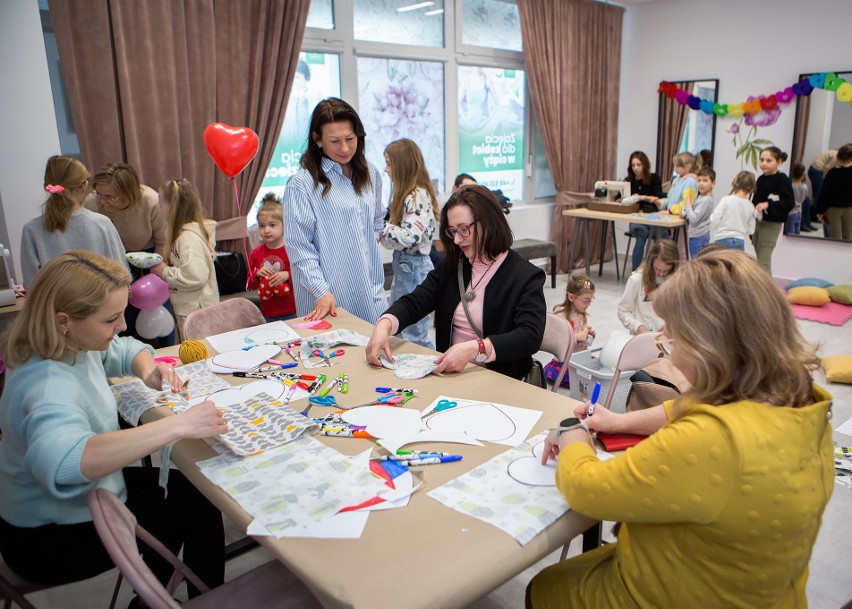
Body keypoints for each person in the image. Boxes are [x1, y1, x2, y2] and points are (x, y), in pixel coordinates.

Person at [530, 249, 833, 609]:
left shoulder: (709, 440)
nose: (667, 354)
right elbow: (684, 406)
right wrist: (618, 420)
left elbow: (586, 489)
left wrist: (571, 432)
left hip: (677, 593)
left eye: (672, 340)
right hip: (767, 592)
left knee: (545, 587)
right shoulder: (803, 403)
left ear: (711, 347)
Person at [0, 251, 227, 597]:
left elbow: (117, 349)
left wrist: (147, 367)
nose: (121, 325)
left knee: (193, 493)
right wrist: (178, 425)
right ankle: (200, 600)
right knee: (194, 508)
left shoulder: (66, 341)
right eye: (110, 320)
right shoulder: (47, 385)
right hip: (47, 536)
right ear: (64, 320)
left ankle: (159, 594)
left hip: (82, 497)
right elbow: (66, 462)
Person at [365, 185, 545, 380]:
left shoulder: (525, 276)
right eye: (452, 232)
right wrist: (384, 325)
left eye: (463, 230)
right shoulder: (453, 268)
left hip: (500, 381)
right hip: (451, 378)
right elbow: (414, 302)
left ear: (489, 223)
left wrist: (477, 348)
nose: (457, 240)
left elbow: (529, 336)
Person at [283, 97, 387, 323]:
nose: (345, 148)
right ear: (318, 140)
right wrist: (320, 289)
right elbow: (299, 247)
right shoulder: (302, 185)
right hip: (327, 298)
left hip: (371, 292)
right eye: (335, 141)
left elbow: (378, 219)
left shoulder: (370, 173)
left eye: (350, 139)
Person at [85, 162, 172, 344]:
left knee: (158, 314)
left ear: (129, 193)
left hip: (149, 260)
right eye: (99, 194)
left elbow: (163, 241)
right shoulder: (92, 203)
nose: (102, 201)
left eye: (110, 197)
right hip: (111, 262)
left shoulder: (150, 201)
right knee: (123, 317)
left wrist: (156, 274)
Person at [20, 155, 127, 288]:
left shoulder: (31, 230)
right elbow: (121, 276)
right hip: (100, 305)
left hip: (55, 307)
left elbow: (31, 285)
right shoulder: (102, 224)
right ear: (84, 185)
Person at [379, 138, 439, 348]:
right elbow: (395, 241)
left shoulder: (417, 196)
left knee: (415, 334)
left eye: (389, 163)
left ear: (402, 164)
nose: (386, 170)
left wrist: (379, 226)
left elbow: (409, 237)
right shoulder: (405, 195)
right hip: (404, 265)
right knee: (400, 323)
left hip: (414, 268)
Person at [150, 178, 219, 340]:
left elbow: (195, 276)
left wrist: (165, 272)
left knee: (199, 354)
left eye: (161, 206)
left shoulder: (187, 239)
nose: (159, 210)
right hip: (192, 308)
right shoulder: (185, 236)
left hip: (196, 310)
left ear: (172, 208)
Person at [247, 193, 297, 322]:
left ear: (284, 225)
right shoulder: (256, 253)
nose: (266, 230)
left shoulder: (292, 249)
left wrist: (287, 275)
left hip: (293, 310)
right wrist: (257, 275)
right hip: (268, 313)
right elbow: (249, 285)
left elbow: (303, 276)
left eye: (272, 225)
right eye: (262, 226)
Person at [617, 240, 680, 334]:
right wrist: (638, 327)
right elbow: (623, 311)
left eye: (666, 271)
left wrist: (671, 325)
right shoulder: (637, 279)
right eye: (657, 269)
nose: (661, 274)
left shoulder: (676, 281)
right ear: (651, 262)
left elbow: (679, 311)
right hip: (641, 336)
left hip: (665, 336)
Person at [543, 274, 596, 388]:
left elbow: (583, 344)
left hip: (579, 359)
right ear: (571, 297)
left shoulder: (582, 314)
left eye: (590, 300)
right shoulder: (560, 314)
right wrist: (576, 337)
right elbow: (556, 343)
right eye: (586, 301)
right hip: (565, 361)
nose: (589, 304)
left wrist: (589, 337)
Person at [752, 146, 794, 275]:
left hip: (771, 225)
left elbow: (789, 202)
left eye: (768, 160)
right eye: (762, 160)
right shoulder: (760, 179)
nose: (764, 163)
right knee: (760, 260)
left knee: (763, 262)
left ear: (779, 161)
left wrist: (768, 204)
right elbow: (755, 201)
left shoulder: (782, 180)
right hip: (757, 223)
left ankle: (766, 294)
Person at [622, 151, 664, 271]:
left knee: (664, 237)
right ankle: (636, 274)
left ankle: (661, 272)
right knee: (641, 234)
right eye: (633, 165)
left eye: (638, 165)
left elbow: (658, 198)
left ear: (645, 165)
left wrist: (640, 197)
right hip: (636, 220)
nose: (635, 168)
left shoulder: (655, 178)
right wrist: (642, 198)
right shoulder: (628, 181)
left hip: (653, 219)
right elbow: (620, 199)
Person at [432, 173, 478, 267]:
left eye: (474, 190)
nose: (470, 193)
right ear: (455, 188)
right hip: (438, 250)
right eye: (466, 188)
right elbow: (439, 246)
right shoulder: (443, 206)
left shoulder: (472, 204)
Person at [711, 170, 759, 251]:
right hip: (740, 240)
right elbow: (751, 230)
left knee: (722, 263)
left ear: (735, 182)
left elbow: (714, 218)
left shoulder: (726, 200)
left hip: (722, 239)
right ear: (751, 188)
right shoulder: (751, 206)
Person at [815, 143, 852, 241]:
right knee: (849, 237)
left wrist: (821, 211)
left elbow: (824, 193)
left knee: (835, 238)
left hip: (833, 209)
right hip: (850, 209)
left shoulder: (832, 173)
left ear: (838, 156)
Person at [680, 165, 716, 257]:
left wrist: (687, 204)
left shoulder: (706, 200)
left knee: (697, 264)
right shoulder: (701, 197)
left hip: (698, 237)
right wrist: (684, 212)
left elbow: (694, 219)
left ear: (713, 183)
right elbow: (693, 213)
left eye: (705, 180)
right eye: (699, 180)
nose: (701, 183)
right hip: (698, 235)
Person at [808, 148, 837, 224]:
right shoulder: (836, 155)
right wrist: (825, 180)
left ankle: (815, 214)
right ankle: (816, 215)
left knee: (817, 193)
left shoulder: (835, 152)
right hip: (817, 170)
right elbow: (828, 168)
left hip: (814, 169)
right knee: (818, 194)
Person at [792, 162, 816, 232]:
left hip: (791, 212)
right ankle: (805, 224)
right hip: (799, 210)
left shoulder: (790, 186)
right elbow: (803, 198)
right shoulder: (804, 187)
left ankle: (805, 224)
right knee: (796, 231)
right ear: (802, 175)